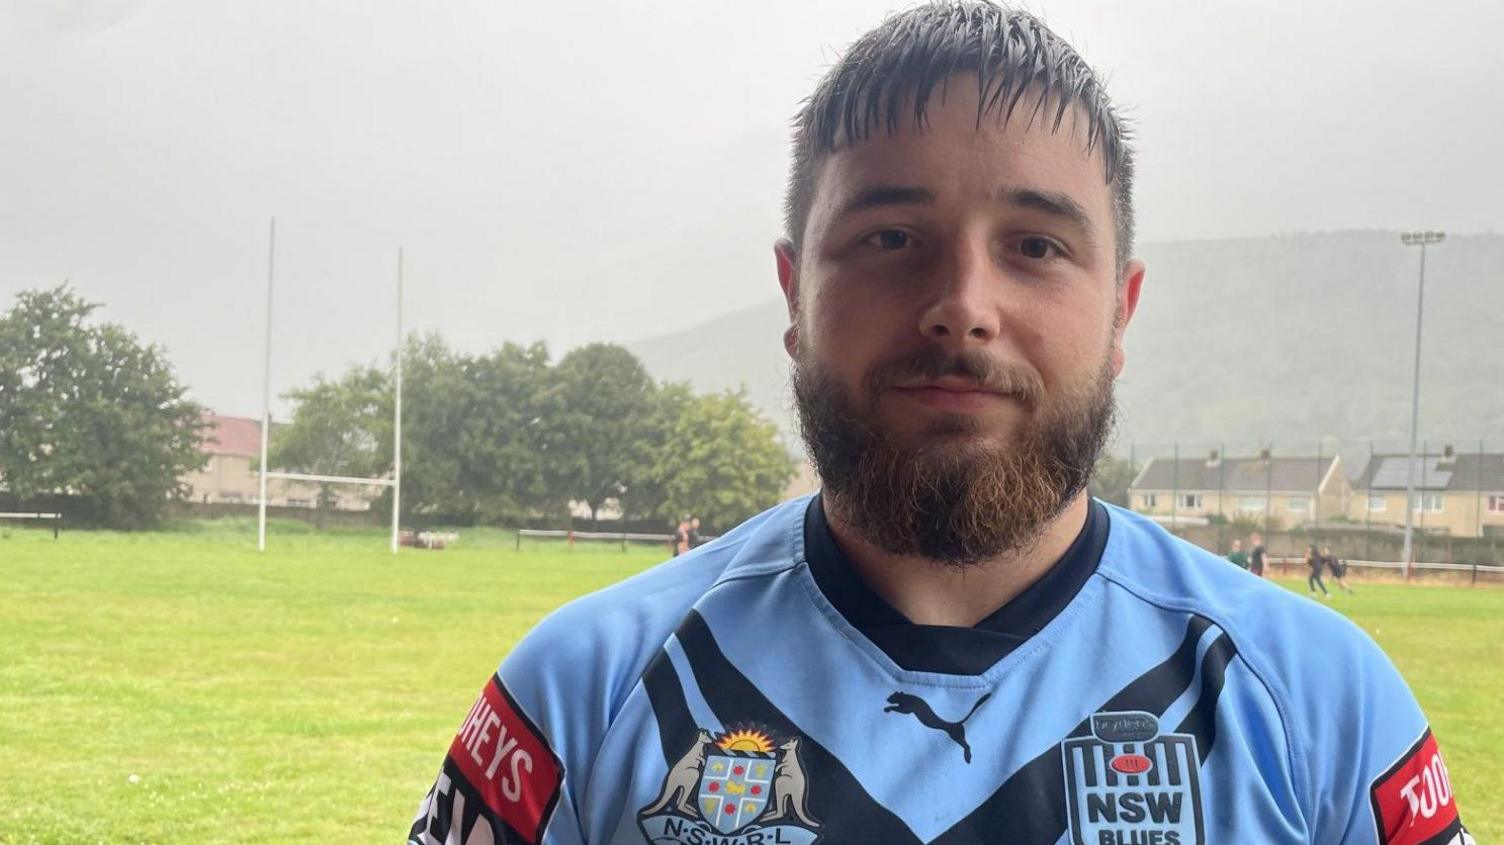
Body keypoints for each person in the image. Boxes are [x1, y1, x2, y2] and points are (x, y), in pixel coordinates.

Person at [408, 5, 1469, 843]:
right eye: (889, 236)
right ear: (792, 295)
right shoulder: (578, 692)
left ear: (1120, 312)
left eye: (1036, 246)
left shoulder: (1323, 706)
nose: (962, 301)